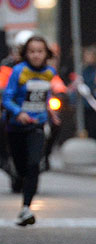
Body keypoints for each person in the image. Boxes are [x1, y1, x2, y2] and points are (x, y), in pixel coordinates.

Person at [2, 35, 60, 226]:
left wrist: (50, 111)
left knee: (34, 164)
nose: (36, 55)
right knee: (21, 168)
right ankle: (18, 178)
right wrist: (18, 113)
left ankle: (26, 208)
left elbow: (45, 95)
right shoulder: (18, 71)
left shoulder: (50, 72)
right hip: (16, 127)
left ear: (46, 54)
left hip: (37, 125)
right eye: (32, 51)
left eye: (40, 51)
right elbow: (7, 98)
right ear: (26, 53)